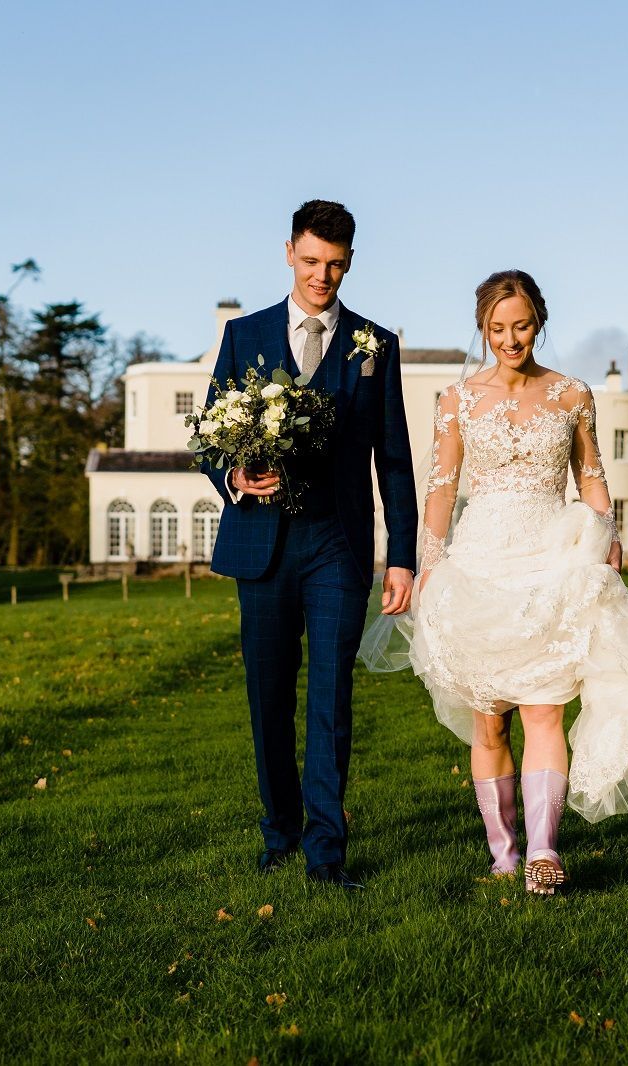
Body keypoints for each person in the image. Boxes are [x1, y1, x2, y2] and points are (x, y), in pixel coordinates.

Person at [409, 270, 628, 895]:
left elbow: (590, 474)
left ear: (540, 323)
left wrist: (604, 532)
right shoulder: (457, 401)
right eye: (498, 328)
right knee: (488, 721)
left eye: (522, 325)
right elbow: (441, 487)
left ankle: (544, 852)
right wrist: (430, 562)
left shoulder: (571, 394)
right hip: (478, 565)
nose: (511, 338)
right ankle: (502, 853)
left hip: (550, 559)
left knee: (543, 707)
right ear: (482, 328)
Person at [199, 200, 418, 891]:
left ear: (350, 261)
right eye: (312, 261)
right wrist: (234, 474)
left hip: (338, 549)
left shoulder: (374, 346)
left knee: (330, 700)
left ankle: (327, 852)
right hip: (261, 546)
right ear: (289, 252)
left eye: (336, 264)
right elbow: (211, 436)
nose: (323, 276)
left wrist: (403, 554)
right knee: (268, 697)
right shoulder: (243, 335)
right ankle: (279, 832)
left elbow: (396, 459)